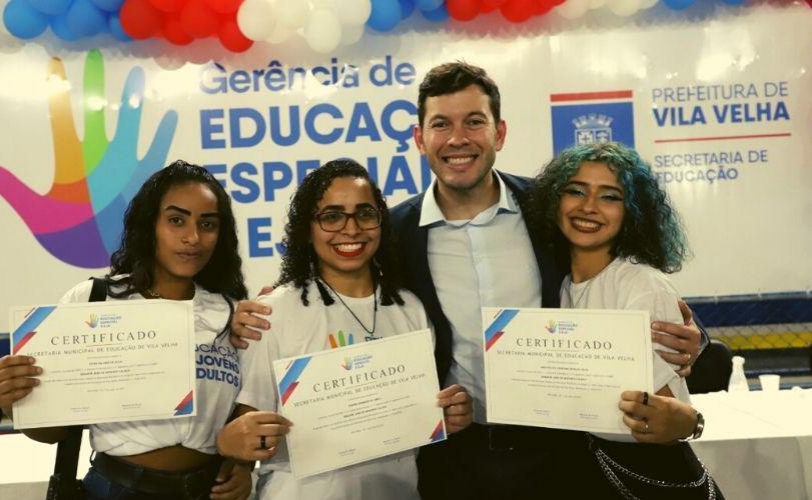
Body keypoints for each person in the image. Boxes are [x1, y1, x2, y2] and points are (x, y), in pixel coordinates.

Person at [231, 62, 705, 499]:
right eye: (441, 124)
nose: (458, 138)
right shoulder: (392, 234)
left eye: (474, 121)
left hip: (561, 454)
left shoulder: (551, 211)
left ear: (499, 131)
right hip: (451, 462)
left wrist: (698, 340)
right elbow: (331, 278)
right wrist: (254, 312)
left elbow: (614, 281)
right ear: (420, 137)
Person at [0, 160, 252, 500]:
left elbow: (247, 411)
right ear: (149, 225)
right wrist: (12, 401)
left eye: (208, 224)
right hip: (119, 490)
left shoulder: (229, 312)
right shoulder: (95, 300)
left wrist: (242, 466)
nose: (193, 237)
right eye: (176, 220)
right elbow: (51, 431)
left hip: (210, 490)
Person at [216, 159, 473, 500]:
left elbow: (422, 411)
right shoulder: (273, 312)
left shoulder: (410, 308)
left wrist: (448, 415)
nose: (351, 229)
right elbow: (252, 418)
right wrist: (236, 448)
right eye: (332, 216)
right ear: (307, 229)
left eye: (364, 213)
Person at [528, 141, 722, 498]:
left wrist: (690, 421)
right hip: (592, 468)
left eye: (610, 197)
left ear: (633, 211)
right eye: (576, 191)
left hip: (651, 476)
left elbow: (657, 418)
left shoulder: (641, 285)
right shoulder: (561, 286)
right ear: (555, 200)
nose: (588, 207)